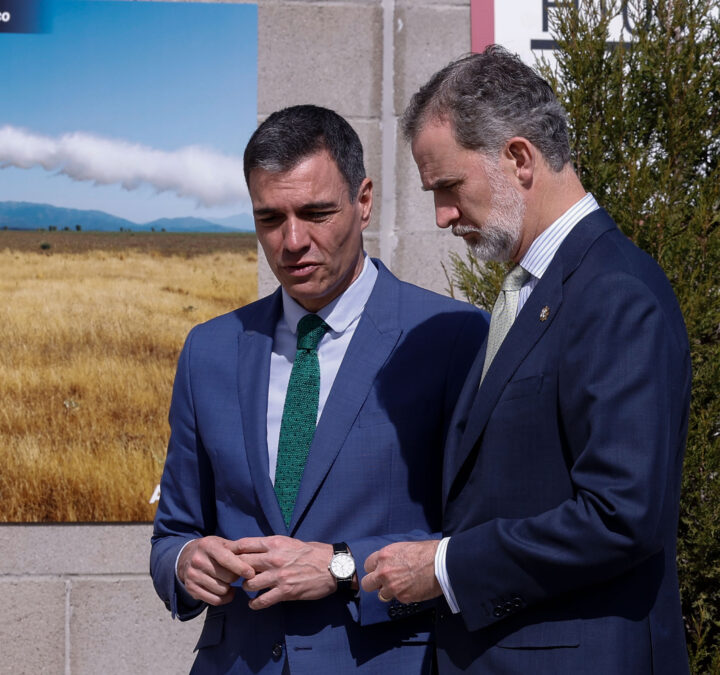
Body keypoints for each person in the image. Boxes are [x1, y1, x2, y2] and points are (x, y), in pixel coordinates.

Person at [360, 46, 691, 673]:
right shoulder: (534, 289)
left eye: (450, 187)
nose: (442, 216)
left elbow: (622, 517)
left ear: (518, 158)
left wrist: (444, 566)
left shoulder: (615, 293)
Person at [150, 104, 488, 673]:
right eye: (269, 219)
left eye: (316, 212)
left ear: (363, 201)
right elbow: (173, 532)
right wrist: (186, 563)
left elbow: (475, 537)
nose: (292, 241)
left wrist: (340, 566)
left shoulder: (452, 338)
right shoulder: (208, 350)